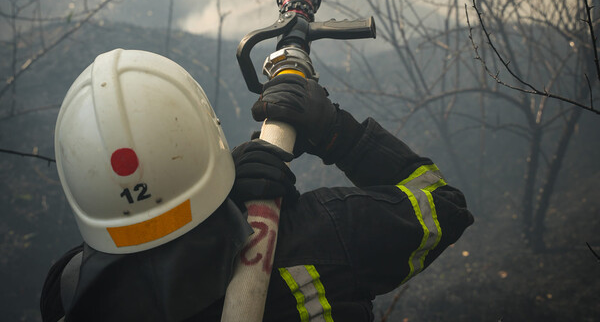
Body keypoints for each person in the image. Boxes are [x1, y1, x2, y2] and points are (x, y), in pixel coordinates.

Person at [41, 49, 473, 322]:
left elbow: (135, 251)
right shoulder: (324, 234)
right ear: (206, 136)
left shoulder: (69, 295)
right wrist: (337, 132)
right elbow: (441, 203)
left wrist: (221, 197)